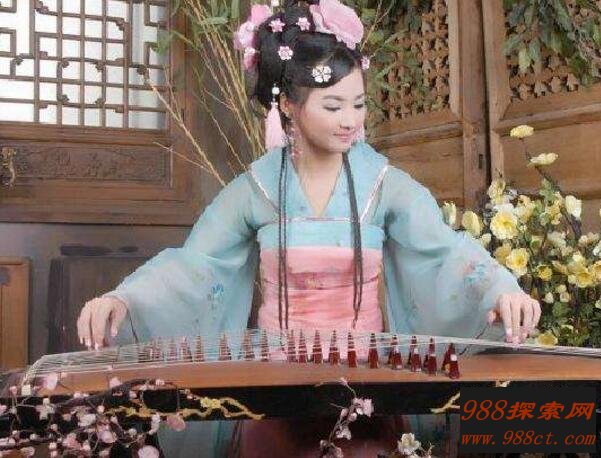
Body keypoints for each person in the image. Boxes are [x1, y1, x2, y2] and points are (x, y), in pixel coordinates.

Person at [77, 0, 541, 456]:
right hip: (277, 388)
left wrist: (499, 291)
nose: (350, 120)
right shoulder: (256, 187)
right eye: (333, 105)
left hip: (366, 385)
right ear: (288, 105)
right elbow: (195, 264)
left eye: (358, 104)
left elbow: (444, 251)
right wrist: (125, 300)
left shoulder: (384, 184)